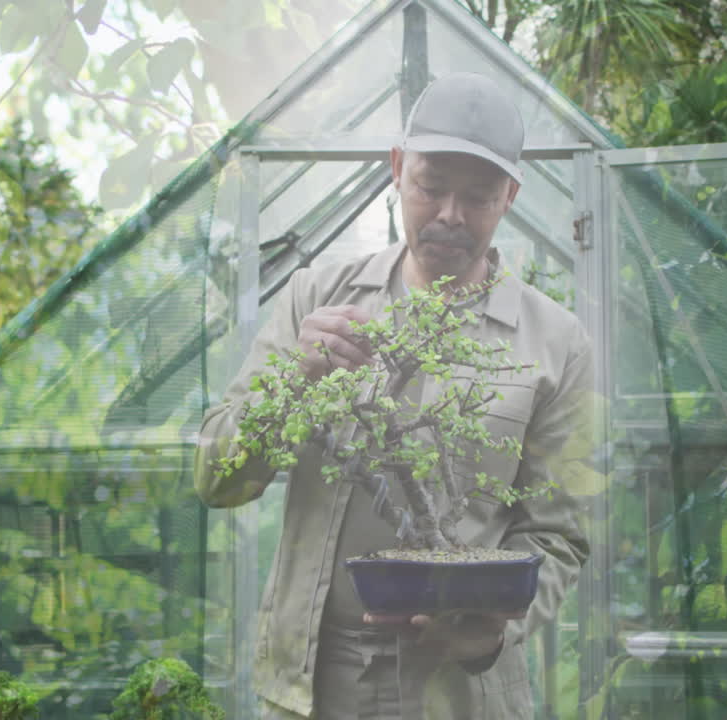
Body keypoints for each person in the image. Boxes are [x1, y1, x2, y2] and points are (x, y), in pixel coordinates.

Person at [195, 72, 595, 719]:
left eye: (478, 197)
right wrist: (298, 380)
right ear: (397, 168)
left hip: (463, 693)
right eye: (430, 187)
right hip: (316, 683)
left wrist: (492, 630)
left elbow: (561, 535)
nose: (449, 216)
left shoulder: (556, 342)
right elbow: (218, 481)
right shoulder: (316, 300)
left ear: (511, 196)